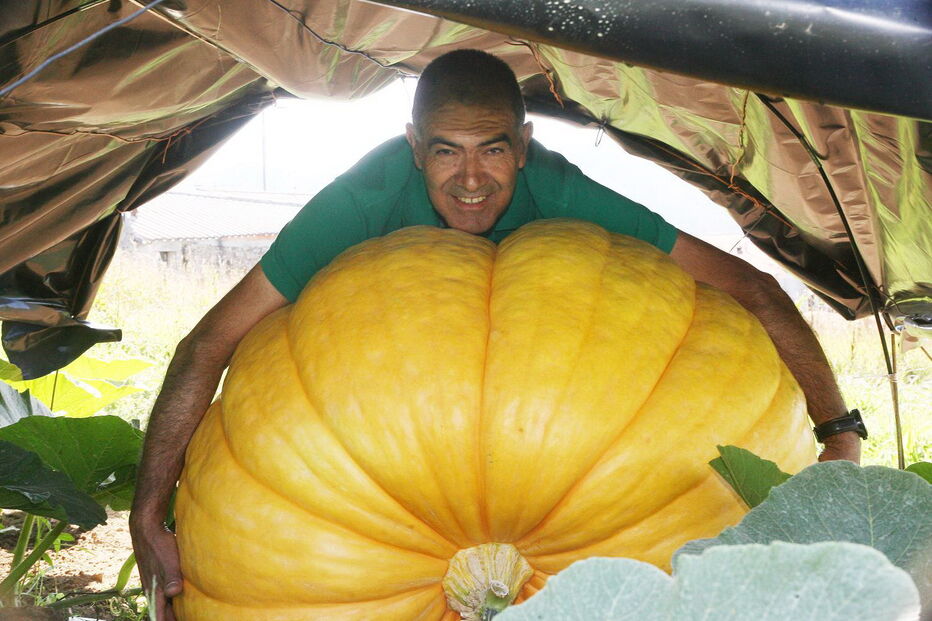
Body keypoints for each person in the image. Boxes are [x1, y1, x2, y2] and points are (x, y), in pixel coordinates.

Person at [130, 49, 861, 620]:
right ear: (413, 146)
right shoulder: (359, 200)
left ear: (525, 143)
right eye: (447, 150)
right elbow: (209, 342)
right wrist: (147, 511)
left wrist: (840, 431)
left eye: (493, 149)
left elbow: (754, 288)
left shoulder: (563, 188)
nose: (471, 178)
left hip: (564, 421)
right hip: (385, 437)